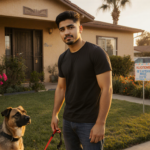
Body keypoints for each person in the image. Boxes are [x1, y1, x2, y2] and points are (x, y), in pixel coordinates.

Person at [51, 10, 112, 150]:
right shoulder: (62, 58)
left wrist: (100, 123)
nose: (66, 32)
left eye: (70, 27)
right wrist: (54, 114)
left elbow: (106, 89)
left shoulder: (96, 53)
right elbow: (61, 88)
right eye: (62, 29)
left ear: (80, 28)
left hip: (90, 123)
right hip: (67, 121)